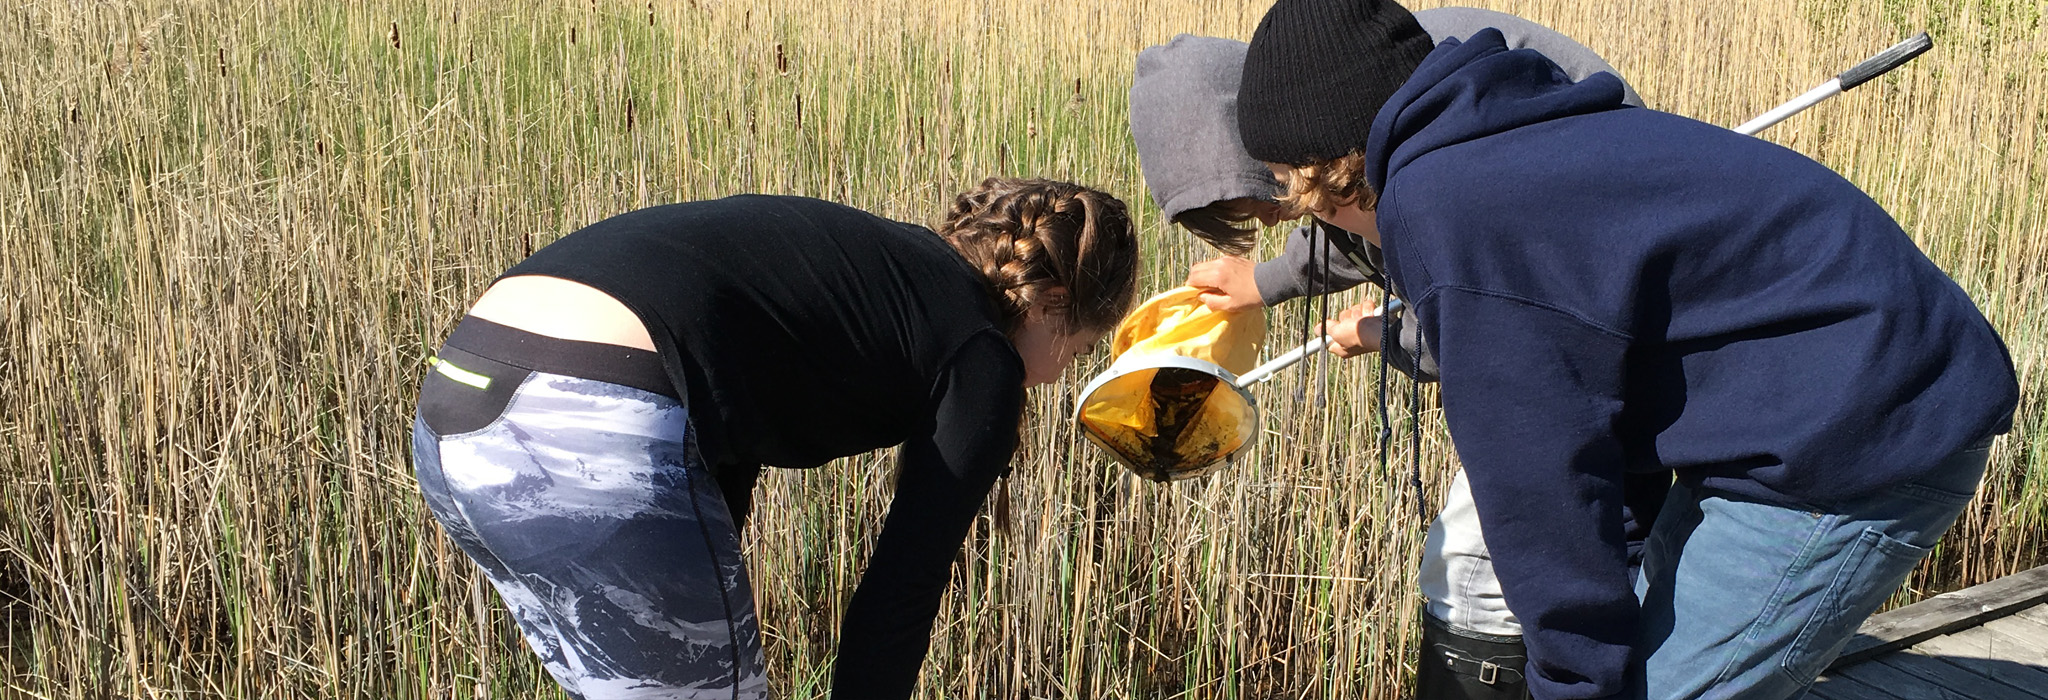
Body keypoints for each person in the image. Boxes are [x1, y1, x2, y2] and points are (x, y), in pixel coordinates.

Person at [1234, 1, 2020, 698]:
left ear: (1330, 178)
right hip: (1805, 400)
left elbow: (1541, 489)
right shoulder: (1511, 125)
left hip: (1865, 422)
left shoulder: (1449, 209)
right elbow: (1607, 400)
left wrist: (1575, 683)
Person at [408, 178, 1140, 700]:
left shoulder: (871, 275)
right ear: (1049, 306)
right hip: (597, 415)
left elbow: (731, 415)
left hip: (457, 404)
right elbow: (900, 592)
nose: (1062, 372)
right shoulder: (983, 357)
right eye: (1078, 348)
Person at [1129, 14, 1665, 699]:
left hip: (1578, 311)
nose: (1270, 221)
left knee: (1480, 575)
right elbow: (1356, 228)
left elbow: (1494, 326)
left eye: (1264, 199)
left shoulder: (1423, 139)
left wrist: (1390, 338)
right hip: (1540, 295)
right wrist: (1266, 284)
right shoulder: (1355, 111)